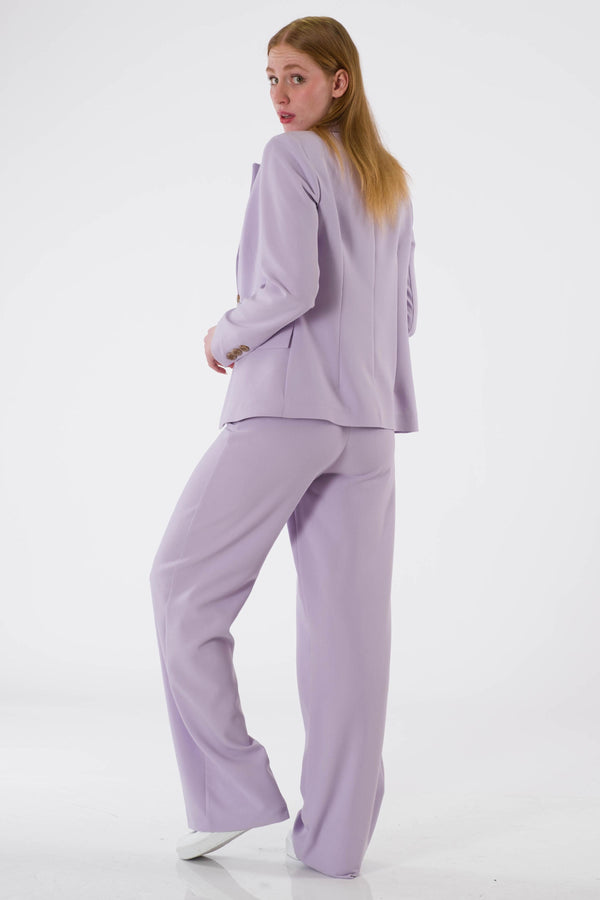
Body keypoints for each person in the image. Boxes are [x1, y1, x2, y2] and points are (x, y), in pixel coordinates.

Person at [149, 15, 419, 881]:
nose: (279, 94)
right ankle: (336, 844)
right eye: (270, 77)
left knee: (182, 586)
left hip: (287, 409)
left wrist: (224, 335)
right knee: (350, 637)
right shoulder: (388, 179)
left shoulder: (292, 157)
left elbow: (290, 288)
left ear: (340, 81)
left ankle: (231, 793)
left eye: (296, 76)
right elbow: (404, 313)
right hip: (369, 422)